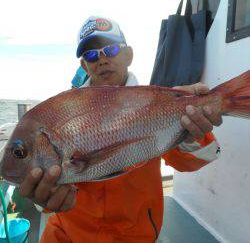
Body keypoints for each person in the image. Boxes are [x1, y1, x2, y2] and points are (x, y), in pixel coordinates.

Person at [20, 16, 222, 243]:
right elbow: (45, 189)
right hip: (69, 235)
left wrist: (188, 130)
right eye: (91, 54)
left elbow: (199, 158)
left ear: (128, 55)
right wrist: (42, 198)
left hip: (135, 235)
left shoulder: (154, 104)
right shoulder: (63, 116)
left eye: (111, 49)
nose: (102, 59)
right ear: (84, 65)